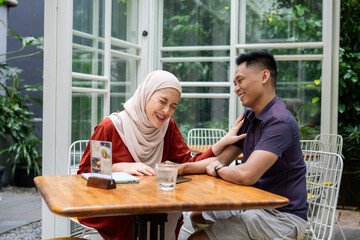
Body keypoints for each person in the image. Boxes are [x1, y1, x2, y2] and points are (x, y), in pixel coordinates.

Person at [77, 70, 244, 240]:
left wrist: (223, 142)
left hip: (155, 206)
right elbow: (84, 173)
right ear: (146, 95)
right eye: (162, 101)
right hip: (115, 210)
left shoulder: (167, 128)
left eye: (173, 106)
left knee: (167, 212)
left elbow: (189, 164)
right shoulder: (111, 127)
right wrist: (117, 167)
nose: (166, 111)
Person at [180, 51, 308, 240]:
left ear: (264, 76)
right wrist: (182, 168)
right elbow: (222, 158)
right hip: (255, 205)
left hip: (282, 217)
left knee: (196, 239)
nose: (236, 88)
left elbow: (246, 175)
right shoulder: (251, 115)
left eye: (240, 81)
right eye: (235, 83)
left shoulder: (279, 121)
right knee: (197, 215)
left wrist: (216, 170)